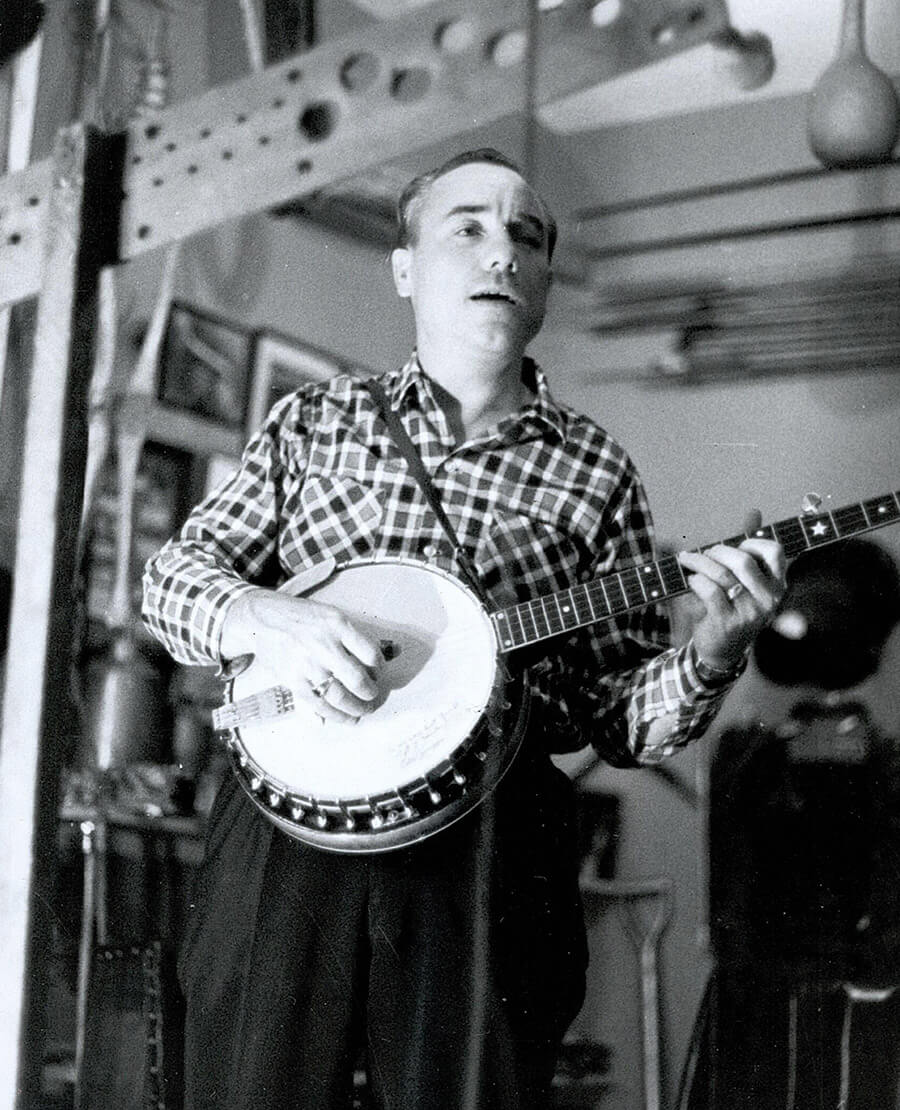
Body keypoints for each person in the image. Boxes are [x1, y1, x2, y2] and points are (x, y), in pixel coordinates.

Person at [142, 147, 785, 1110]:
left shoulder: (597, 471)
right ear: (405, 268)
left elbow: (610, 719)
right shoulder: (316, 420)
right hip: (288, 841)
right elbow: (171, 582)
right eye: (468, 229)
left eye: (527, 237)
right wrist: (267, 616)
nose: (501, 255)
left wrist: (711, 654)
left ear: (545, 283)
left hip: (488, 844)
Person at [681, 538, 900, 1110]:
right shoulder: (747, 753)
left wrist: (877, 965)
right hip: (758, 996)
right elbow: (727, 879)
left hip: (860, 998)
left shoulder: (886, 761)